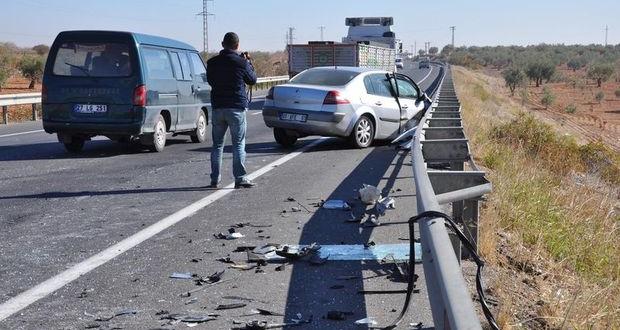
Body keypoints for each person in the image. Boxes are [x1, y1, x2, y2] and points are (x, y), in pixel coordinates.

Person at [206, 32, 257, 188]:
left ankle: (215, 178)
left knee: (217, 145)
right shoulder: (241, 62)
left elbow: (210, 81)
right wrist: (248, 62)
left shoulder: (212, 63)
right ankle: (240, 178)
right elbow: (252, 80)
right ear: (237, 45)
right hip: (236, 108)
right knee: (238, 144)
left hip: (218, 107)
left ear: (223, 44)